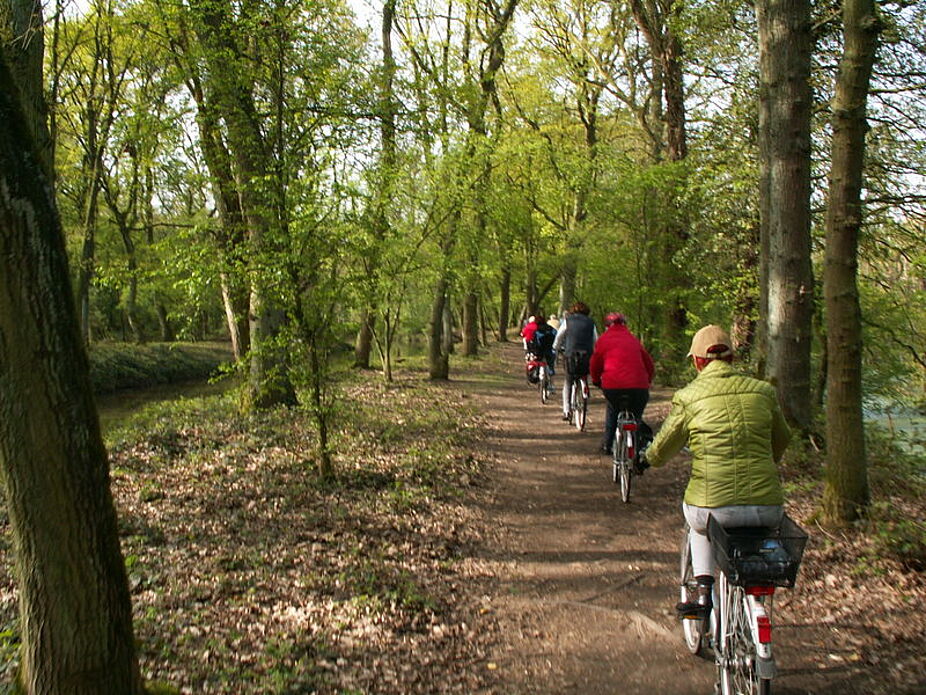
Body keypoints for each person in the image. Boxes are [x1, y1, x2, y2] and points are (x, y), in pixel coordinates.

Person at [641, 324, 791, 619]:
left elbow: (661, 449)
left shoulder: (689, 396)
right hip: (768, 506)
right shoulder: (763, 392)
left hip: (713, 506)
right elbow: (783, 437)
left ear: (697, 361)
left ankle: (703, 595)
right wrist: (767, 458)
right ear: (732, 359)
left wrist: (648, 460)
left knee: (698, 523)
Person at [589, 313, 654, 454]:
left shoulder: (603, 340)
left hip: (613, 387)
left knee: (613, 410)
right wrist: (648, 380)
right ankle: (636, 450)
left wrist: (595, 380)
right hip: (639, 387)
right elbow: (648, 362)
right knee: (636, 418)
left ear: (607, 326)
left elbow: (595, 363)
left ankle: (607, 444)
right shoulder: (633, 339)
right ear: (625, 325)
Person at [552, 302, 598, 422]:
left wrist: (555, 348)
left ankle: (566, 410)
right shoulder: (591, 323)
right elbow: (595, 340)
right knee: (584, 375)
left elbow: (559, 336)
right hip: (586, 356)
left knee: (568, 381)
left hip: (570, 355)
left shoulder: (568, 321)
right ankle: (584, 389)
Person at [528, 314, 558, 379]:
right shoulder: (550, 328)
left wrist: (530, 350)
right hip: (549, 349)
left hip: (538, 351)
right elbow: (556, 335)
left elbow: (531, 340)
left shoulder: (536, 330)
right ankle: (551, 370)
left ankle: (536, 372)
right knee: (550, 360)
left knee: (537, 361)